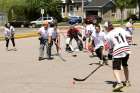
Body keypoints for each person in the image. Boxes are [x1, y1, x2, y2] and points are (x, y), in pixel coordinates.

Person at [104, 21, 131, 91]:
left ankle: (119, 83)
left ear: (107, 28)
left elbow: (110, 47)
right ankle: (127, 81)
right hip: (126, 49)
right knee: (125, 65)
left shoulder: (108, 35)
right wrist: (126, 43)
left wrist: (109, 54)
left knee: (115, 68)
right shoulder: (120, 29)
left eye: (105, 28)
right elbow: (129, 36)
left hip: (117, 50)